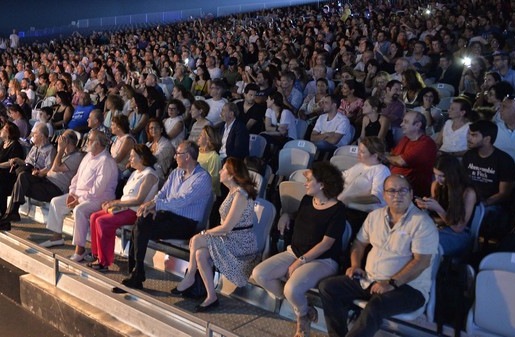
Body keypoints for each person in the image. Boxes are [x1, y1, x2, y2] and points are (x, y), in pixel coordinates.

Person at [319, 174, 439, 337]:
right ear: (384, 195)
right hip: (371, 280)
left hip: (409, 288)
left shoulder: (422, 223)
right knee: (328, 287)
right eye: (391, 191)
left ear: (411, 194)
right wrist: (355, 265)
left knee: (376, 305)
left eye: (403, 190)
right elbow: (359, 244)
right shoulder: (374, 216)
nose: (397, 195)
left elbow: (422, 262)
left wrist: (392, 283)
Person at [252, 162, 346, 337]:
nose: (305, 183)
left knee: (291, 289)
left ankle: (302, 319)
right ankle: (303, 308)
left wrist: (299, 262)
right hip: (294, 252)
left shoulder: (338, 210)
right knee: (259, 274)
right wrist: (287, 215)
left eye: (310, 180)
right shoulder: (307, 200)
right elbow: (299, 216)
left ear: (322, 184)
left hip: (322, 261)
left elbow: (326, 244)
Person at [117, 141, 213, 292]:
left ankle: (137, 273)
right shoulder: (176, 173)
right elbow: (161, 194)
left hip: (186, 223)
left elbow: (183, 200)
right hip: (168, 216)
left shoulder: (202, 178)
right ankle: (136, 272)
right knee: (142, 220)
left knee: (141, 225)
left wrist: (157, 205)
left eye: (178, 154)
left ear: (187, 156)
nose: (175, 157)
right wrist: (152, 204)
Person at [173, 158, 260, 312]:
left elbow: (226, 228)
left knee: (197, 239)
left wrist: (204, 233)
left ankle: (190, 276)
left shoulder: (240, 195)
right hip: (230, 239)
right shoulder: (232, 192)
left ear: (232, 174)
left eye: (223, 169)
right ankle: (211, 296)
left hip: (241, 243)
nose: (219, 172)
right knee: (200, 253)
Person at [38, 130, 118, 262]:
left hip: (99, 199)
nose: (87, 143)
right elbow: (76, 178)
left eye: (90, 140)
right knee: (56, 202)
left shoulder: (106, 161)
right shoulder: (88, 156)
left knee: (79, 210)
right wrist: (71, 193)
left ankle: (79, 250)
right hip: (79, 195)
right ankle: (57, 237)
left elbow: (97, 189)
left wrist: (78, 200)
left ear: (97, 143)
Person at [0, 129, 83, 231]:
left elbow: (55, 168)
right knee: (20, 178)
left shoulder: (77, 156)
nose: (59, 141)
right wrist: (39, 174)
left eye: (62, 139)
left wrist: (60, 150)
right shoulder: (63, 154)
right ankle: (9, 216)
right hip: (45, 182)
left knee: (19, 182)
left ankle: (7, 217)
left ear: (67, 142)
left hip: (55, 189)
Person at [87, 145, 159, 271]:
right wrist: (112, 202)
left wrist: (116, 204)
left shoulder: (150, 175)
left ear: (141, 158)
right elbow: (126, 196)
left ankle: (104, 262)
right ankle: (97, 254)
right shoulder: (135, 173)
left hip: (135, 211)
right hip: (125, 208)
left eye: (132, 157)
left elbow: (139, 199)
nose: (130, 159)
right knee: (94, 216)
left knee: (102, 222)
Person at [463, 120, 515, 238]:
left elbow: (503, 194)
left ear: (487, 139)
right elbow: (463, 182)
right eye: (469, 134)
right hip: (470, 199)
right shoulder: (469, 155)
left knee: (478, 213)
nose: (468, 138)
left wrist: (482, 203)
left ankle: (472, 246)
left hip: (491, 204)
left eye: (474, 135)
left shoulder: (504, 160)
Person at [415, 155, 477, 257]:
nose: (437, 179)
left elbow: (459, 228)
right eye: (435, 174)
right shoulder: (436, 185)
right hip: (439, 226)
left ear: (453, 175)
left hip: (459, 233)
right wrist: (426, 206)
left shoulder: (468, 192)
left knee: (427, 246)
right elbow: (435, 217)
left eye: (442, 176)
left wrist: (438, 209)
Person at [386, 111, 437, 197]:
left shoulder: (426, 143)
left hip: (410, 193)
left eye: (405, 122)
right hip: (395, 185)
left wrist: (381, 156)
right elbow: (393, 155)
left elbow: (401, 161)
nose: (401, 124)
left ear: (417, 125)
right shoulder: (406, 138)